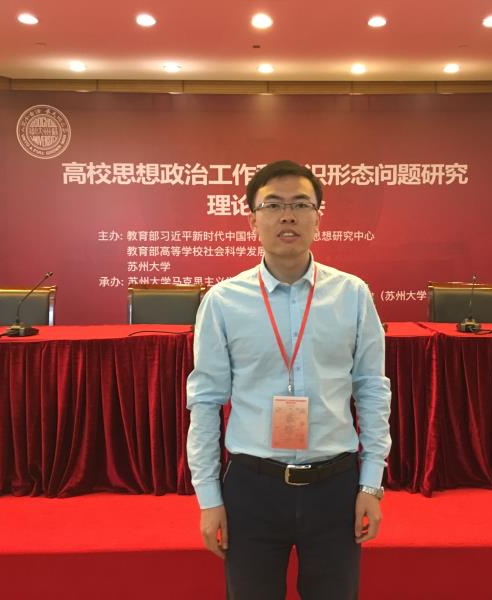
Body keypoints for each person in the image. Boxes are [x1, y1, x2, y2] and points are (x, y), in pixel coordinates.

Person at [186, 160, 391, 600]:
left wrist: (371, 483)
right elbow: (205, 401)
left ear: (318, 217)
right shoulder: (223, 301)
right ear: (253, 220)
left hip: (335, 488)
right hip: (252, 489)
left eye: (300, 204)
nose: (287, 216)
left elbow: (372, 389)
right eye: (273, 205)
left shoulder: (353, 295)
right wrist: (209, 497)